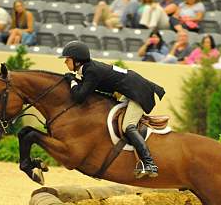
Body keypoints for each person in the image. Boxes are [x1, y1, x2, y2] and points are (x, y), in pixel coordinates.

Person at [60, 41, 165, 178]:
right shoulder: (88, 69)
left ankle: (149, 163)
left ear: (77, 61)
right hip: (129, 90)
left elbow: (79, 97)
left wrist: (72, 81)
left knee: (128, 126)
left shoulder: (91, 71)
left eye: (67, 59)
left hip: (138, 92)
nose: (65, 63)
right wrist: (75, 81)